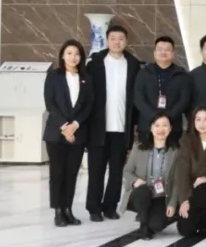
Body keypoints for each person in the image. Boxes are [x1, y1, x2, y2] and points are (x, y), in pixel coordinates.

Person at [84, 24, 141, 222]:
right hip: (98, 128)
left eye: (121, 39)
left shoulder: (133, 65)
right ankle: (94, 208)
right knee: (96, 171)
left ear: (126, 41)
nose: (117, 42)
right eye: (113, 38)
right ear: (107, 40)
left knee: (117, 171)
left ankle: (110, 206)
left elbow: (135, 99)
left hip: (121, 128)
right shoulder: (95, 64)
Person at [43, 39, 94, 227]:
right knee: (57, 173)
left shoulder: (87, 79)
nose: (73, 57)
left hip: (77, 133)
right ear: (63, 56)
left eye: (77, 54)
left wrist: (75, 125)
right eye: (69, 53)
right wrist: (65, 126)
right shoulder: (54, 76)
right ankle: (58, 211)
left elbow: (89, 105)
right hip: (56, 133)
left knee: (72, 173)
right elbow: (50, 103)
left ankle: (68, 209)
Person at [121, 112, 178, 239]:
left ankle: (153, 218)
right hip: (141, 193)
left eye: (165, 125)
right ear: (151, 128)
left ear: (170, 128)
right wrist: (135, 181)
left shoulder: (175, 151)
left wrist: (172, 203)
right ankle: (143, 224)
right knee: (144, 192)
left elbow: (177, 181)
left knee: (157, 226)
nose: (161, 129)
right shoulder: (139, 147)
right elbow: (127, 171)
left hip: (161, 196)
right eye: (157, 125)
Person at [173, 106, 206, 237]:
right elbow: (182, 171)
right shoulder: (186, 141)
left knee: (203, 189)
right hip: (192, 189)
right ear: (193, 122)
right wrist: (184, 199)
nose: (202, 124)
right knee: (185, 229)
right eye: (198, 119)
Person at [133, 36, 191, 145]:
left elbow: (184, 100)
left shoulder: (181, 74)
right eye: (160, 49)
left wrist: (167, 119)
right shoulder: (144, 73)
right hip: (147, 126)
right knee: (146, 154)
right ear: (154, 52)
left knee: (171, 155)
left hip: (173, 127)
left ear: (173, 53)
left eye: (167, 49)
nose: (163, 52)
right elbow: (138, 98)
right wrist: (154, 118)